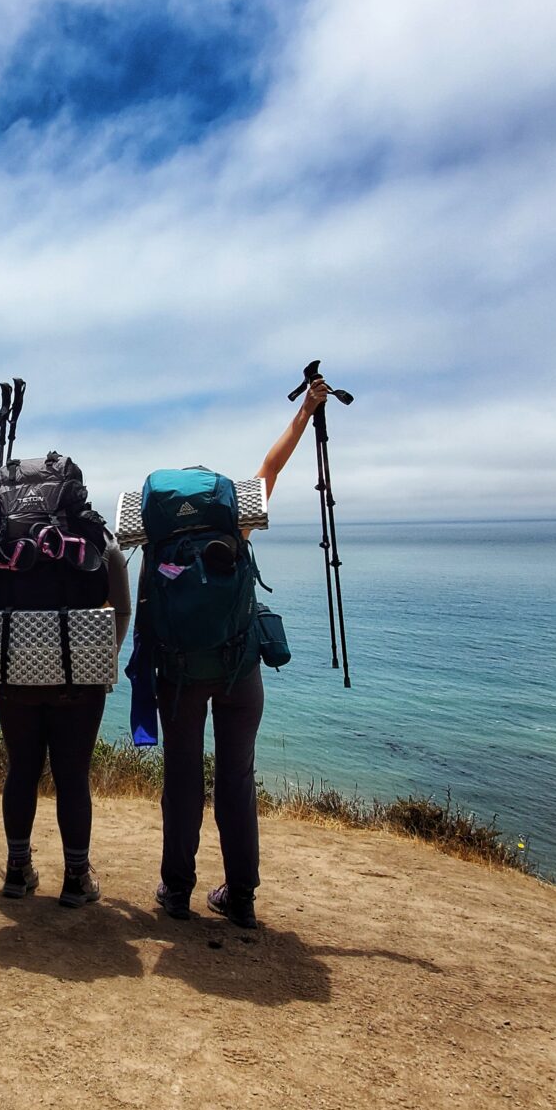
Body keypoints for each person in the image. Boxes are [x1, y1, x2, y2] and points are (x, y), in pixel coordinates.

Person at [154, 377, 329, 928]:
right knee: (236, 779)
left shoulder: (159, 539)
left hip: (180, 674)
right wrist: (304, 413)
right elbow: (271, 468)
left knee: (181, 779)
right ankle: (242, 898)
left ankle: (177, 892)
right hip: (238, 673)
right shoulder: (237, 524)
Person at [0, 452, 131, 907]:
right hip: (79, 681)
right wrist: (103, 661)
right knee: (72, 777)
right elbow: (120, 610)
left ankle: (17, 871)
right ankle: (76, 879)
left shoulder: (2, 542)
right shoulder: (101, 543)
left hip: (13, 681)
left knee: (20, 770)